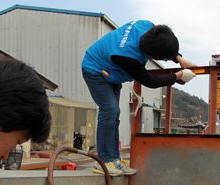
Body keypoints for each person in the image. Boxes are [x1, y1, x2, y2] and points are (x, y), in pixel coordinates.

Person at [82, 20, 197, 176]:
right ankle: (104, 161)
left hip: (111, 73)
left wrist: (179, 58)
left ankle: (114, 160)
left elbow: (163, 41)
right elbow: (151, 81)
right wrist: (178, 76)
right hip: (95, 70)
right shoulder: (128, 57)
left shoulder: (147, 26)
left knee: (114, 115)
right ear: (150, 55)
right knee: (110, 109)